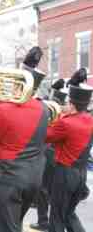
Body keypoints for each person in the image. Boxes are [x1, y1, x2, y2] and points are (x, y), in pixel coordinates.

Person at [0, 46, 49, 232]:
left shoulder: (4, 109)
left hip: (10, 179)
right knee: (15, 226)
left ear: (18, 83)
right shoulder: (44, 109)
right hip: (34, 179)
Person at [46, 68, 92, 232]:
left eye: (67, 103)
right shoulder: (89, 120)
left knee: (57, 218)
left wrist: (57, 116)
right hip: (80, 175)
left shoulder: (66, 122)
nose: (64, 105)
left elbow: (46, 136)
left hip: (64, 174)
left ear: (72, 105)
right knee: (69, 215)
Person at [30, 78, 68, 231]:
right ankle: (54, 221)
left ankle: (43, 221)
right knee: (53, 190)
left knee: (43, 189)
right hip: (57, 154)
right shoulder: (65, 114)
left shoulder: (49, 111)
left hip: (47, 152)